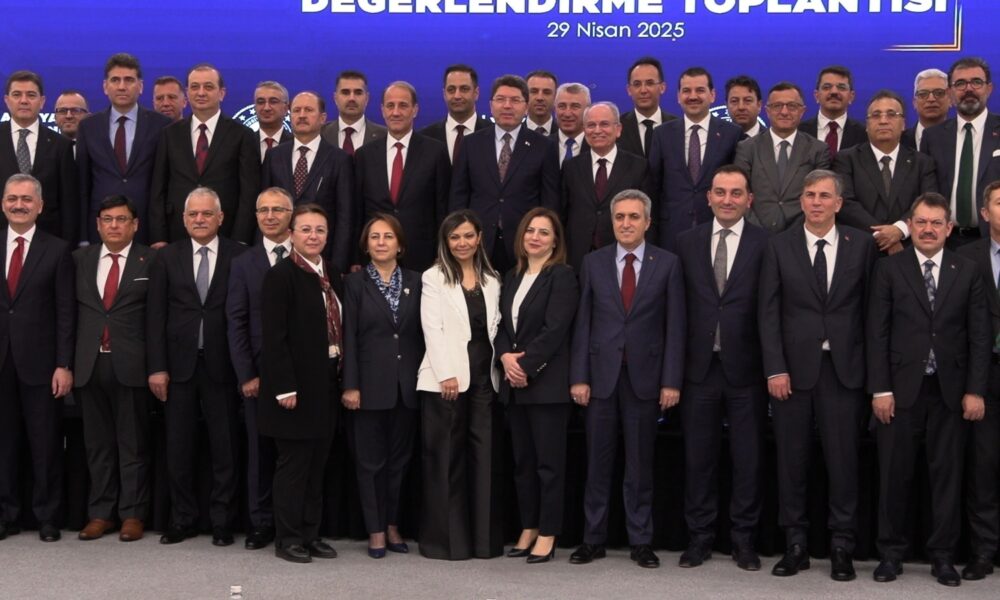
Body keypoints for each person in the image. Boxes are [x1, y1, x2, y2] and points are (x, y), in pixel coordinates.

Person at [758, 169, 877, 581]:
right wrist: (775, 367)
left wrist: (872, 376)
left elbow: (871, 313)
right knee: (792, 461)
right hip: (791, 374)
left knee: (843, 463)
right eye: (809, 195)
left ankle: (842, 545)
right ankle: (795, 544)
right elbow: (768, 312)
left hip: (844, 372)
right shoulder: (779, 246)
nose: (816, 202)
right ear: (801, 200)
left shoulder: (861, 245)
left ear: (838, 203)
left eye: (824, 196)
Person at [868, 192, 990, 586]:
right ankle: (890, 554)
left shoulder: (967, 269)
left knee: (946, 478)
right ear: (910, 225)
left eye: (936, 223)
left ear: (949, 228)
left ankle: (943, 557)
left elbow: (979, 335)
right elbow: (876, 333)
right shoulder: (889, 269)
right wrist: (880, 390)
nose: (928, 229)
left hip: (950, 391)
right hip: (899, 391)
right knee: (894, 476)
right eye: (921, 222)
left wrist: (975, 390)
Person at [569, 189, 685, 570]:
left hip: (646, 380)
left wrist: (671, 381)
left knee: (639, 464)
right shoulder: (593, 262)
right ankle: (593, 539)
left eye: (634, 217)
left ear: (648, 222)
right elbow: (583, 323)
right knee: (597, 463)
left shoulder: (667, 264)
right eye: (619, 217)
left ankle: (641, 540)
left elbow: (675, 326)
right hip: (600, 379)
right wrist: (579, 377)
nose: (626, 223)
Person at [675, 165, 768, 571]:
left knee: (748, 460)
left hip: (748, 369)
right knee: (699, 459)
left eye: (736, 193)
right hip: (698, 369)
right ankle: (699, 539)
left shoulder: (767, 243)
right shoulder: (686, 242)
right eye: (720, 192)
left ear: (749, 200)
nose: (727, 200)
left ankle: (743, 540)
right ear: (708, 197)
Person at [147, 187, 246, 547]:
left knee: (225, 448)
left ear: (221, 218)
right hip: (178, 368)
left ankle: (222, 521)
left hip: (224, 366)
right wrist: (157, 367)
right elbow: (155, 316)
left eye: (206, 214)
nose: (200, 220)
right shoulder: (166, 257)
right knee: (179, 447)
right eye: (193, 214)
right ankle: (182, 519)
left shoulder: (240, 255)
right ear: (184, 219)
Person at [258, 203, 342, 564]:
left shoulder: (331, 272)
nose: (313, 236)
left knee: (317, 465)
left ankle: (311, 534)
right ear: (291, 235)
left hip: (326, 383)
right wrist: (284, 387)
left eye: (319, 230)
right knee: (294, 466)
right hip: (293, 388)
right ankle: (288, 538)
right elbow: (274, 338)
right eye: (305, 229)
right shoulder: (281, 276)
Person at [417, 209, 502, 560]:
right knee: (447, 459)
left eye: (468, 235)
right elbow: (432, 328)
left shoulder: (493, 278)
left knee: (484, 458)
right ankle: (448, 544)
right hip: (445, 379)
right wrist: (446, 372)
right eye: (455, 237)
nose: (462, 243)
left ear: (479, 238)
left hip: (485, 376)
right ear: (446, 241)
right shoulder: (434, 277)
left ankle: (483, 542)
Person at [495, 207, 578, 564]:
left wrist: (524, 366)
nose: (535, 237)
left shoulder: (562, 276)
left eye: (544, 232)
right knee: (523, 464)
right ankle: (528, 526)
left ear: (555, 241)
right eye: (530, 230)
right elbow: (501, 326)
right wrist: (504, 358)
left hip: (546, 387)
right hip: (515, 387)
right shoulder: (512, 276)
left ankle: (548, 532)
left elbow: (555, 330)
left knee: (549, 465)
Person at [341, 214, 424, 558]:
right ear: (366, 244)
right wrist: (350, 385)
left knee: (399, 462)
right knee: (370, 463)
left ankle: (392, 524)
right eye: (374, 237)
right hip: (367, 388)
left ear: (400, 244)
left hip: (407, 387)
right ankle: (375, 529)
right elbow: (348, 336)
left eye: (388, 237)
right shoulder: (354, 284)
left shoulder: (418, 281)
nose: (381, 242)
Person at [73, 195, 154, 542]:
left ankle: (132, 514)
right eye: (108, 219)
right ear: (98, 224)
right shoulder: (79, 259)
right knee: (97, 445)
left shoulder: (151, 260)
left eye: (122, 219)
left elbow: (157, 318)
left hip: (132, 364)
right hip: (89, 363)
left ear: (135, 225)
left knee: (132, 444)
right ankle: (100, 513)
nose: (114, 225)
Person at [0, 174, 75, 542]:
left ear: (40, 206)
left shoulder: (57, 250)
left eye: (26, 199)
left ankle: (47, 517)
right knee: (3, 443)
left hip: (42, 365)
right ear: (3, 203)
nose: (19, 205)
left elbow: (65, 311)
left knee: (45, 443)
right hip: (1, 361)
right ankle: (6, 514)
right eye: (12, 198)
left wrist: (63, 364)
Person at [225, 187, 294, 551]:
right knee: (259, 452)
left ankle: (292, 523)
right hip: (258, 376)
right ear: (255, 217)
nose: (270, 216)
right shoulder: (243, 262)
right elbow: (235, 322)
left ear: (291, 215)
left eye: (277, 209)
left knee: (295, 454)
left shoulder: (307, 256)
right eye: (263, 210)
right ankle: (261, 522)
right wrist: (246, 375)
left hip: (299, 375)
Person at [449, 74, 560, 274]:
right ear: (491, 105)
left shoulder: (544, 146)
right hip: (478, 243)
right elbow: (459, 196)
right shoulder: (471, 144)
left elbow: (549, 201)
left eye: (515, 100)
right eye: (501, 99)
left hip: (525, 244)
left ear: (526, 106)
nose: (507, 106)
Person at [149, 63, 259, 246]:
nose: (201, 93)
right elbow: (158, 190)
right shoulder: (169, 134)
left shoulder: (242, 135)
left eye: (208, 87)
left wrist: (241, 238)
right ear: (187, 93)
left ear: (221, 93)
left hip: (227, 234)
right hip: (177, 233)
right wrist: (159, 236)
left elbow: (249, 193)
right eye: (195, 87)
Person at [76, 53, 173, 245]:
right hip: (101, 229)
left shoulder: (161, 125)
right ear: (105, 86)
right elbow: (82, 186)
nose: (122, 86)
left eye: (129, 80)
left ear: (140, 86)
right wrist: (83, 237)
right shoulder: (88, 126)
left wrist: (160, 235)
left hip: (147, 228)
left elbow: (166, 184)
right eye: (115, 80)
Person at [355, 82, 451, 272]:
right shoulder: (364, 155)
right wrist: (356, 257)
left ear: (415, 110)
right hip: (375, 257)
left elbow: (442, 208)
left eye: (403, 105)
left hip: (422, 258)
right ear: (382, 110)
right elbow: (358, 210)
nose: (396, 112)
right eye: (390, 106)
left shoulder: (435, 152)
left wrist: (441, 254)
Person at [956, 181, 1000, 581]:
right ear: (985, 213)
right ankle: (983, 551)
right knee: (983, 468)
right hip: (982, 374)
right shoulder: (966, 257)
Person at [649, 67, 742, 251]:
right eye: (686, 91)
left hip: (717, 229)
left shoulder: (732, 134)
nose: (693, 96)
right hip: (671, 232)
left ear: (712, 95)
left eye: (700, 90)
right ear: (678, 96)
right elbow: (653, 186)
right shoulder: (662, 134)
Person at [834, 90, 938, 254]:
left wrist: (899, 230)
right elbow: (845, 204)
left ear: (903, 124)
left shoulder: (922, 163)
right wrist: (884, 236)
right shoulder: (846, 159)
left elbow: (927, 202)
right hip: (859, 249)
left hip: (908, 249)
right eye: (876, 115)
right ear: (867, 125)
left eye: (891, 115)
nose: (883, 121)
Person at [261, 91, 353, 273]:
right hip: (278, 255)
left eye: (309, 110)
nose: (301, 115)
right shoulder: (274, 156)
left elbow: (345, 216)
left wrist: (338, 265)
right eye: (296, 110)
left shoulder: (339, 159)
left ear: (322, 118)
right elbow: (263, 207)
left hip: (322, 256)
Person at [920, 56, 1000, 245]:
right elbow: (926, 191)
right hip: (946, 241)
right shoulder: (933, 137)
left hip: (994, 238)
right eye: (960, 84)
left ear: (989, 89)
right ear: (950, 92)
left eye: (976, 82)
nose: (969, 89)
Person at [562, 102, 651, 270]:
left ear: (618, 129)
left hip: (622, 258)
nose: (597, 130)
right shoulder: (570, 167)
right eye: (591, 125)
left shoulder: (638, 166)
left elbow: (646, 216)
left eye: (604, 124)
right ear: (584, 130)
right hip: (577, 259)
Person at [738, 82, 830, 234]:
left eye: (792, 106)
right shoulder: (747, 148)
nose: (784, 112)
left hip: (801, 236)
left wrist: (794, 235)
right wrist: (757, 232)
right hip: (755, 234)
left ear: (802, 111)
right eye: (777, 106)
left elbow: (820, 198)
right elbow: (739, 194)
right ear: (767, 111)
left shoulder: (818, 150)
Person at [1, 71, 78, 244]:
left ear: (42, 102)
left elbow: (68, 203)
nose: (24, 100)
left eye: (31, 95)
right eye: (17, 95)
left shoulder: (61, 145)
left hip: (49, 242)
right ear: (7, 100)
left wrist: (67, 247)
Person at [419, 65, 492, 164]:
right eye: (451, 90)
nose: (457, 96)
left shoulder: (494, 135)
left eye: (464, 89)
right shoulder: (425, 137)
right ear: (444, 94)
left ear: (476, 93)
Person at [799, 65, 867, 156]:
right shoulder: (799, 131)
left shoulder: (865, 134)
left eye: (841, 87)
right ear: (816, 95)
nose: (834, 92)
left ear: (851, 96)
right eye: (827, 87)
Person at [619, 57, 677, 157]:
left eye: (650, 83)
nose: (643, 90)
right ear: (629, 90)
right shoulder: (617, 127)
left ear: (662, 87)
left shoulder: (678, 128)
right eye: (637, 84)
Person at [320, 70, 387, 155]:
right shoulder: (319, 133)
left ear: (367, 98)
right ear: (335, 98)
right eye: (345, 93)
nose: (351, 98)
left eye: (358, 93)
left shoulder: (385, 135)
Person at [902, 68, 952, 150]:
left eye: (939, 93)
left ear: (951, 99)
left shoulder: (961, 138)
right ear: (914, 102)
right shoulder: (898, 142)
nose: (931, 99)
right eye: (923, 94)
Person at [253, 81, 292, 161]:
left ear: (286, 108)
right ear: (255, 108)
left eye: (273, 102)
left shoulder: (296, 143)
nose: (266, 108)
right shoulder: (244, 143)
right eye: (261, 102)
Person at [553, 83, 590, 165]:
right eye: (562, 106)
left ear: (587, 111)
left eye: (575, 106)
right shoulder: (541, 146)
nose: (567, 114)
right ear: (555, 109)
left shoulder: (598, 147)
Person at [525, 71, 557, 135]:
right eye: (534, 91)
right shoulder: (513, 132)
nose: (540, 98)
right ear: (524, 95)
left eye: (547, 92)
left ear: (555, 97)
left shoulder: (564, 133)